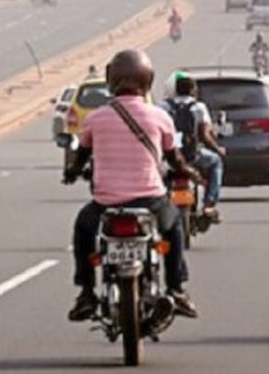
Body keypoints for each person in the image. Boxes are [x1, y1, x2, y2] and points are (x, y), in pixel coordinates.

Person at [66, 50, 200, 321]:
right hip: (150, 200)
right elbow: (175, 159)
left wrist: (72, 173)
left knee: (83, 230)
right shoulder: (160, 117)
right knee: (174, 228)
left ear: (111, 80)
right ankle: (176, 289)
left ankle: (86, 292)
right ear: (147, 80)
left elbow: (80, 157)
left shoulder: (95, 118)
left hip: (106, 204)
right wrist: (190, 172)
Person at [162, 73, 226, 220]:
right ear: (193, 90)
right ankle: (209, 203)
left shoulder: (163, 106)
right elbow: (205, 136)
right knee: (216, 162)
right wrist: (218, 150)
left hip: (168, 157)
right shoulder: (199, 107)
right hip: (192, 156)